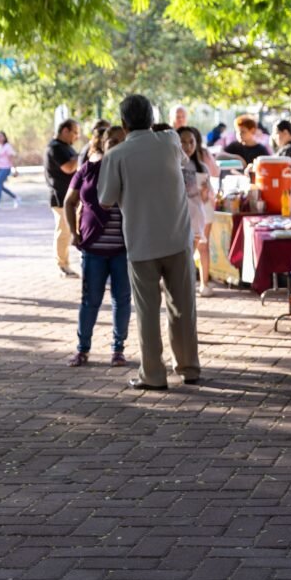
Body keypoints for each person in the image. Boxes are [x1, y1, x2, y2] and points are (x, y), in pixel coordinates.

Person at [98, 94, 200, 391]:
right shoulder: (169, 141)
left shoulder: (116, 155)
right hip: (177, 237)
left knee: (147, 312)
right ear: (152, 119)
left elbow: (105, 200)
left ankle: (153, 375)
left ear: (123, 124)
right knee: (183, 307)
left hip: (141, 241)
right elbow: (182, 160)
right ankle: (189, 367)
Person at [64, 125, 131, 368]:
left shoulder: (132, 172)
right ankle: (82, 349)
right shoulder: (87, 170)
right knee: (90, 300)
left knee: (121, 300)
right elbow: (69, 202)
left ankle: (118, 349)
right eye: (112, 141)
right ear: (103, 143)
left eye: (122, 141)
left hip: (123, 249)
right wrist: (73, 232)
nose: (116, 145)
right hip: (93, 248)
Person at [178, 126, 215, 298]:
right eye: (183, 142)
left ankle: (199, 285)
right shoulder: (172, 165)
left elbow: (205, 198)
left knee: (194, 252)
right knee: (181, 255)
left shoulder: (201, 167)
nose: (188, 146)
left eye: (191, 142)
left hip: (196, 217)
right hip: (177, 218)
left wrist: (205, 192)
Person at [46, 119, 81, 278]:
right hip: (60, 197)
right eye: (75, 132)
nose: (77, 137)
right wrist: (81, 157)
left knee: (69, 231)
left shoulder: (66, 147)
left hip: (69, 197)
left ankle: (66, 263)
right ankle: (62, 265)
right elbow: (68, 168)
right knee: (64, 232)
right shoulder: (55, 148)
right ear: (65, 131)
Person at [0, 132, 20, 210]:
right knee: (0, 186)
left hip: (5, 168)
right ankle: (15, 197)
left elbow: (11, 158)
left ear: (4, 137)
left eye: (1, 136)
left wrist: (15, 169)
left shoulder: (7, 147)